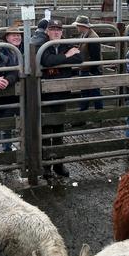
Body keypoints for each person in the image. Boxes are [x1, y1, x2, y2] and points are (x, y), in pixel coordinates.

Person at [39, 20, 83, 179]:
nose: (56, 32)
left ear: (62, 32)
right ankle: (45, 166)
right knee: (45, 130)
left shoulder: (65, 44)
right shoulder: (42, 45)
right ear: (47, 31)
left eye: (58, 29)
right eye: (53, 29)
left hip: (61, 93)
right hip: (45, 95)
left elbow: (79, 59)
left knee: (59, 130)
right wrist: (66, 56)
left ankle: (58, 164)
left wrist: (60, 58)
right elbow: (46, 61)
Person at [72, 15, 103, 111]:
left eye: (78, 25)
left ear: (82, 26)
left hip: (90, 70)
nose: (76, 27)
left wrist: (92, 71)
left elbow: (95, 57)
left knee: (93, 93)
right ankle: (86, 115)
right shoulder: (86, 35)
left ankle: (96, 114)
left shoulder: (92, 38)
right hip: (87, 68)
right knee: (88, 92)